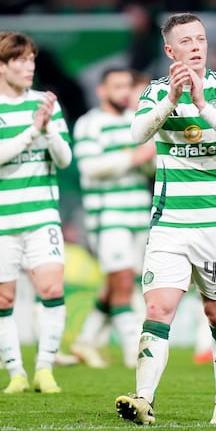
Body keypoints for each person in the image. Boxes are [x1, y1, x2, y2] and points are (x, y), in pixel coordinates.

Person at [114, 13, 216, 426]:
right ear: (170, 51)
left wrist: (201, 105)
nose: (196, 46)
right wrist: (173, 100)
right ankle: (144, 400)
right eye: (186, 41)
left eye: (201, 39)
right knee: (158, 308)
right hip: (169, 223)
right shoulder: (157, 92)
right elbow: (137, 134)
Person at [0, 31, 72, 393]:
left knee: (52, 287)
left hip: (42, 214)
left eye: (32, 59)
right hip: (1, 219)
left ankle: (45, 369)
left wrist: (49, 132)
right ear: (0, 65)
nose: (30, 66)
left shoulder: (46, 103)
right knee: (2, 298)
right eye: (21, 60)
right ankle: (16, 373)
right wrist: (32, 131)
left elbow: (65, 158)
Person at [71, 67, 155, 369]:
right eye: (116, 86)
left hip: (137, 215)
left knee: (120, 280)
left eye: (127, 86)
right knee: (121, 280)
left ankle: (85, 341)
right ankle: (134, 351)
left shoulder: (137, 123)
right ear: (101, 91)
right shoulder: (88, 124)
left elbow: (152, 168)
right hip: (107, 216)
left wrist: (148, 159)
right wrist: (134, 157)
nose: (123, 91)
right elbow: (90, 167)